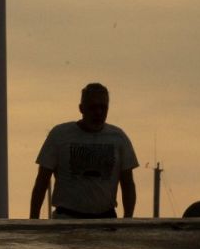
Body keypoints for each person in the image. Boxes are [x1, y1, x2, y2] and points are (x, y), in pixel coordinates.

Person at [29, 82, 138, 219]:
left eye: (103, 107)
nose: (98, 112)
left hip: (106, 221)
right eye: (93, 107)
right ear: (81, 108)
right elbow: (42, 181)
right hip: (66, 220)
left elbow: (128, 184)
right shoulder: (60, 135)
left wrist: (127, 221)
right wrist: (33, 221)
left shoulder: (118, 138)